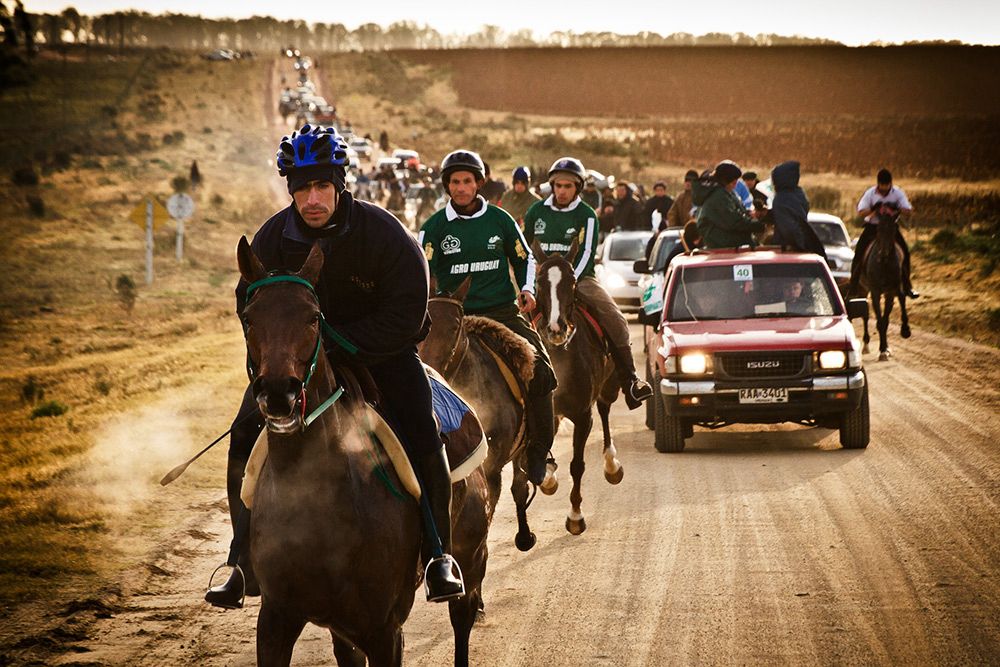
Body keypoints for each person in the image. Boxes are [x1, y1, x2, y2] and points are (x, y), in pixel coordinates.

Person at [205, 125, 464, 609]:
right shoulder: (272, 239)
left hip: (384, 356)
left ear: (341, 183)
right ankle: (240, 561)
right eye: (301, 187)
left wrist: (340, 342)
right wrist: (270, 365)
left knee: (422, 430)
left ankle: (437, 554)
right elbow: (251, 312)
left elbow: (408, 313)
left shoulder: (384, 234)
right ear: (291, 190)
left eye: (322, 185)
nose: (312, 198)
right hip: (299, 366)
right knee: (243, 433)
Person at [418, 150, 557, 486]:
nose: (461, 187)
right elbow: (421, 270)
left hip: (500, 311)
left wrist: (527, 290)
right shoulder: (434, 228)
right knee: (418, 373)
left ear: (478, 183)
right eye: (454, 182)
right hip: (452, 317)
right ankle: (419, 450)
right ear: (447, 186)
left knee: (541, 373)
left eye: (467, 181)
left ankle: (538, 452)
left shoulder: (500, 220)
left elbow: (524, 259)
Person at [523, 157, 653, 410]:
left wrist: (570, 282)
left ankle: (630, 381)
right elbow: (526, 250)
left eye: (568, 186)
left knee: (615, 317)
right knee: (509, 313)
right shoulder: (536, 211)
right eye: (558, 186)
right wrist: (530, 281)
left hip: (579, 278)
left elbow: (587, 252)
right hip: (541, 279)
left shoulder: (586, 215)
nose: (562, 191)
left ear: (578, 188)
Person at [848, 168, 918, 298]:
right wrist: (873, 210)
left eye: (887, 186)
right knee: (858, 253)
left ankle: (907, 286)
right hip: (873, 227)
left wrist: (896, 208)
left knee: (905, 252)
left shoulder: (897, 193)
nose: (884, 189)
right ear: (878, 184)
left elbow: (908, 210)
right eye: (882, 186)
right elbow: (861, 212)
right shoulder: (870, 193)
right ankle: (853, 286)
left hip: (891, 228)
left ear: (890, 184)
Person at [695, 160, 765, 249]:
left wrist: (751, 215)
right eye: (734, 181)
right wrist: (759, 225)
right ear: (726, 180)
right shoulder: (718, 196)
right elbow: (734, 221)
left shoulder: (725, 192)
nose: (735, 185)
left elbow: (737, 212)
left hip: (723, 241)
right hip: (721, 243)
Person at [769, 160, 826, 259]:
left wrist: (798, 246)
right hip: (804, 242)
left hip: (787, 249)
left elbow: (789, 228)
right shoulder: (799, 193)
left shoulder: (781, 198)